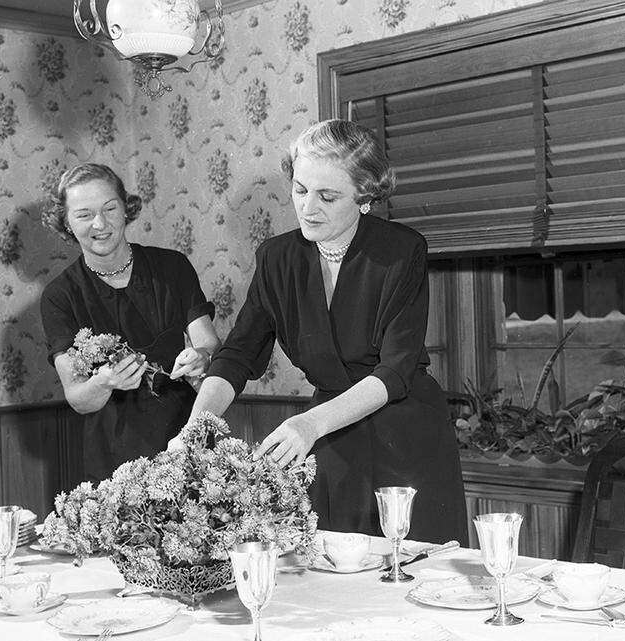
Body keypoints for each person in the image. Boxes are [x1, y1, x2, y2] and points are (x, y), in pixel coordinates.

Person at [182, 120, 468, 545]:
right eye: (300, 190)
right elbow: (238, 356)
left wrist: (310, 425)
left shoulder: (402, 251)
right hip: (330, 440)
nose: (307, 208)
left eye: (327, 196)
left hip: (404, 439)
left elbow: (395, 370)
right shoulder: (277, 258)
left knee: (410, 575)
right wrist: (195, 430)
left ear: (365, 197)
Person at [40, 163, 220, 482]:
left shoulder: (172, 267)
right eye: (84, 215)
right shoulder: (59, 296)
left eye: (110, 208)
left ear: (126, 208)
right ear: (66, 223)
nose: (101, 223)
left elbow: (207, 342)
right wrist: (105, 381)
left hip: (187, 437)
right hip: (113, 456)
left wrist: (201, 357)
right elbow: (78, 398)